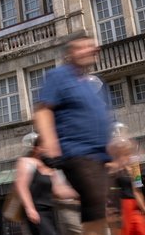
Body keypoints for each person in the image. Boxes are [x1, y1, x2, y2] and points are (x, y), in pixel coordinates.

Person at [35, 34, 112, 235]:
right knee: (95, 199)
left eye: (91, 46)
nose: (88, 50)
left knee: (97, 206)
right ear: (70, 53)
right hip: (77, 150)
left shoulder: (92, 83)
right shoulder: (59, 76)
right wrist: (50, 142)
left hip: (99, 154)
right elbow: (43, 109)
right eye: (81, 47)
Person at [15, 136, 78, 235]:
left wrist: (81, 193)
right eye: (45, 147)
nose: (48, 151)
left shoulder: (50, 169)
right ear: (37, 148)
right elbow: (21, 186)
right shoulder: (27, 162)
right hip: (36, 211)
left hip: (50, 212)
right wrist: (30, 208)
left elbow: (58, 191)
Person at [105, 138, 145, 235]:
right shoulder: (112, 166)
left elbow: (137, 191)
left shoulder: (134, 167)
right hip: (120, 207)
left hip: (134, 207)